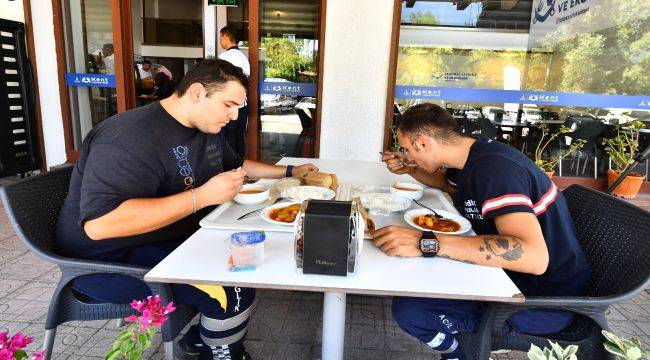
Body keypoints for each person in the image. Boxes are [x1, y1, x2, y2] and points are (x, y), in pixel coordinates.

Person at [55, 59, 318, 360]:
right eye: (228, 105)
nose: (234, 116)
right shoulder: (128, 137)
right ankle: (222, 353)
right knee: (233, 287)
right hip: (105, 261)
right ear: (196, 92)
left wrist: (289, 171)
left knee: (247, 258)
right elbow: (100, 225)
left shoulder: (205, 126)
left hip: (162, 240)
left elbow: (238, 166)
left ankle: (201, 339)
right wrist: (202, 196)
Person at [377, 104, 591, 360]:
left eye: (408, 150)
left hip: (542, 301)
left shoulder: (496, 170)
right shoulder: (471, 156)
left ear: (423, 142)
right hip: (509, 279)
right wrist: (411, 169)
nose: (408, 156)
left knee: (411, 309)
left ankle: (462, 353)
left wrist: (428, 242)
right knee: (416, 279)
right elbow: (449, 185)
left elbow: (533, 257)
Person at [218, 25, 250, 158]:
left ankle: (231, 169)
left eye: (221, 37)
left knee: (227, 138)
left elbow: (218, 81)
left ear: (226, 36)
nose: (220, 40)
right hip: (242, 104)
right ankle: (240, 165)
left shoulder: (225, 56)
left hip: (229, 105)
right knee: (239, 136)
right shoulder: (243, 58)